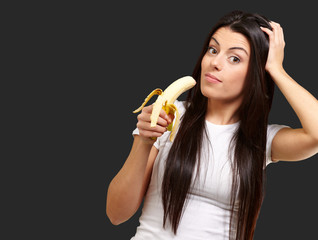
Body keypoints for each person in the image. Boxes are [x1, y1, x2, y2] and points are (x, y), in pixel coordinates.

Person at [106, 11, 318, 240]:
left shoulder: (260, 140)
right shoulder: (170, 116)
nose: (215, 63)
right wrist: (144, 143)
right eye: (213, 50)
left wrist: (277, 69)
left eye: (234, 58)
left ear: (257, 72)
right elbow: (116, 214)